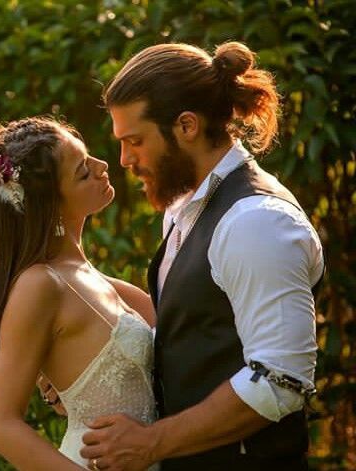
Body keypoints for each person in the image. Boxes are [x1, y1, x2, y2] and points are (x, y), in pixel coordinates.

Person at [79, 42, 324, 470]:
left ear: (187, 126)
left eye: (135, 141)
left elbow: (280, 381)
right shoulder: (184, 206)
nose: (124, 159)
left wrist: (153, 442)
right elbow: (193, 334)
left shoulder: (256, 223)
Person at [0, 116, 160, 471]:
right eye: (82, 171)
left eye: (89, 157)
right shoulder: (40, 285)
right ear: (51, 204)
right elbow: (1, 425)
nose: (103, 166)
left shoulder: (98, 281)